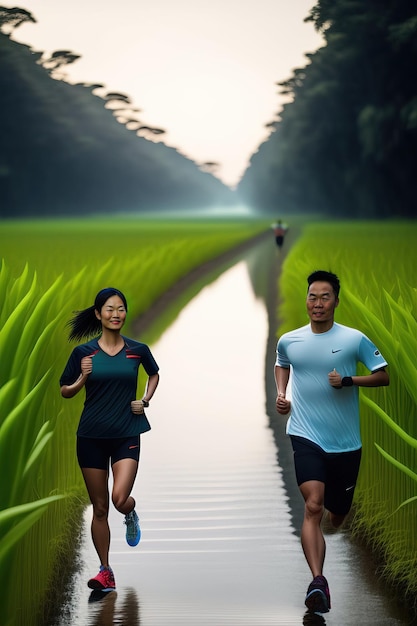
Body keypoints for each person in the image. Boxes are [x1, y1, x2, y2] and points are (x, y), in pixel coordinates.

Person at [274, 270, 389, 614]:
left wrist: (349, 380)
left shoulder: (354, 339)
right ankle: (318, 582)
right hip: (305, 434)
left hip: (346, 444)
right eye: (312, 296)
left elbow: (384, 375)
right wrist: (282, 393)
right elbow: (282, 364)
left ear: (336, 301)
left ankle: (329, 526)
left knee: (337, 515)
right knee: (313, 505)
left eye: (325, 297)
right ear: (306, 300)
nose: (318, 303)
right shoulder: (289, 340)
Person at [60, 287, 160, 593]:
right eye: (110, 309)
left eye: (121, 309)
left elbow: (154, 374)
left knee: (118, 499)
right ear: (98, 314)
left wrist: (144, 400)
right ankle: (105, 571)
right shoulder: (83, 354)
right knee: (100, 507)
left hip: (126, 434)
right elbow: (65, 390)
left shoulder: (137, 350)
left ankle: (130, 511)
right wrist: (81, 379)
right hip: (90, 436)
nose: (116, 314)